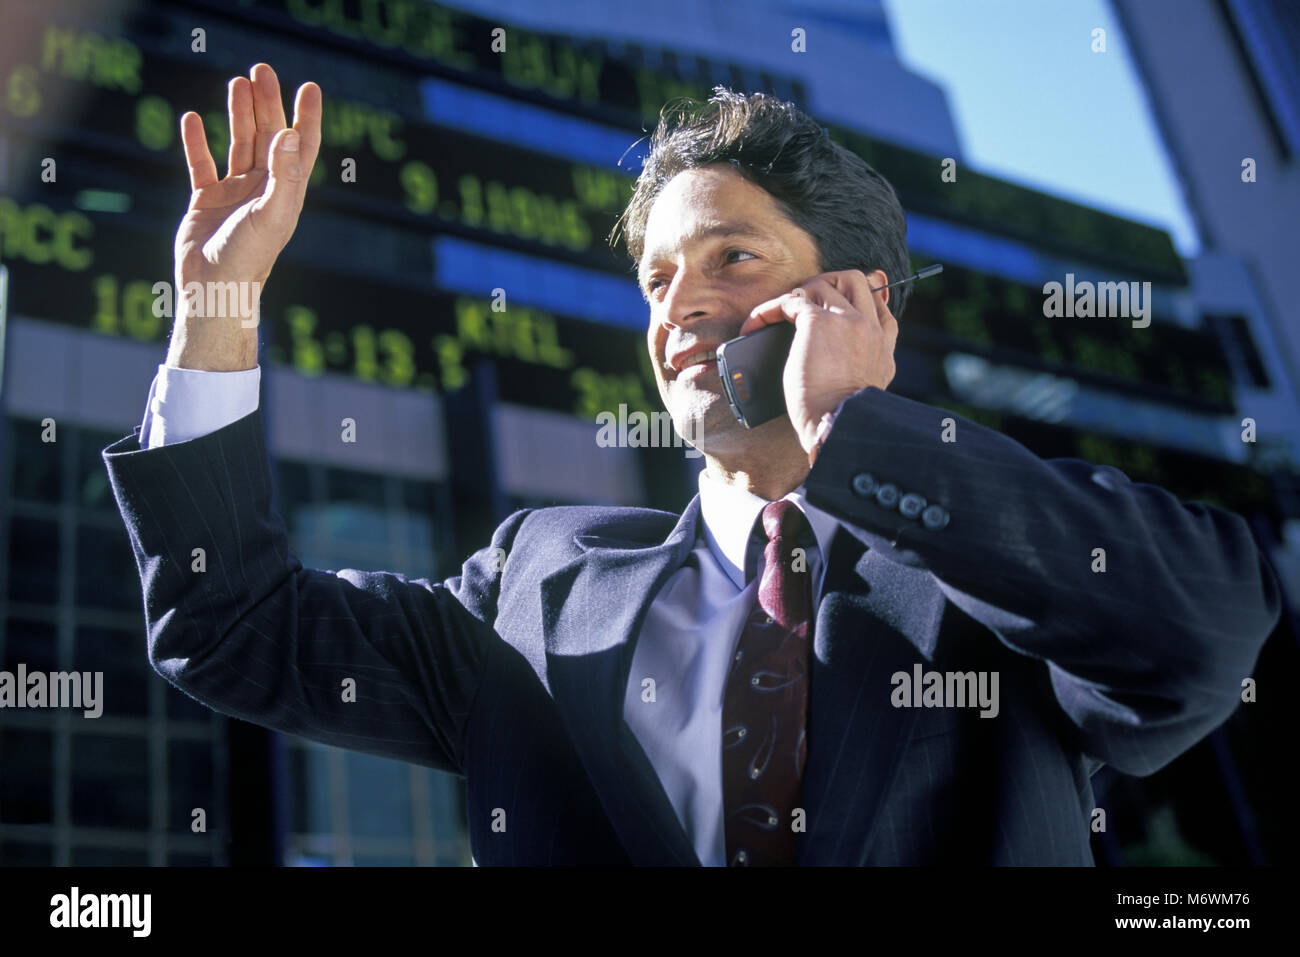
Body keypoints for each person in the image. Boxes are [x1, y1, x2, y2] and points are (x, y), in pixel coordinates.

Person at [102, 64, 1281, 866]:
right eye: (659, 279)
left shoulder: (989, 567)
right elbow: (229, 625)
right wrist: (214, 300)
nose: (684, 308)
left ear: (857, 295)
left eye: (731, 257)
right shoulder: (536, 584)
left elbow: (1206, 637)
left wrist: (851, 430)